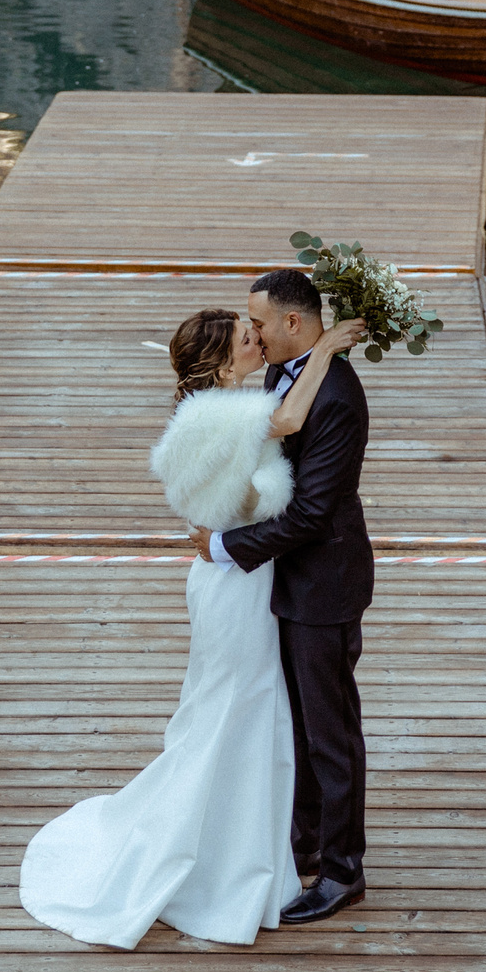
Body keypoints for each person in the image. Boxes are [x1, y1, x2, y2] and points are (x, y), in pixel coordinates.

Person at [17, 301, 365, 948]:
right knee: (233, 709)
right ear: (222, 362)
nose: (257, 338)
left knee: (250, 712)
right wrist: (325, 348)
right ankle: (220, 855)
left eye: (256, 328)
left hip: (244, 578)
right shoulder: (222, 412)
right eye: (245, 336)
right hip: (236, 586)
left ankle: (264, 839)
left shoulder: (223, 404)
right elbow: (288, 421)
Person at [195, 267, 373, 926]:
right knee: (296, 725)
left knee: (330, 732)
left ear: (293, 322)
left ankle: (343, 871)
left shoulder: (338, 397)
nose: (254, 333)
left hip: (324, 582)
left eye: (259, 322)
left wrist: (224, 547)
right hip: (285, 580)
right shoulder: (282, 371)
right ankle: (304, 844)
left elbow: (313, 512)